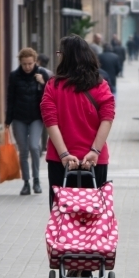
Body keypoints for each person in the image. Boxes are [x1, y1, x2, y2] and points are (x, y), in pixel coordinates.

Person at [41, 35, 115, 211]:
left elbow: (50, 122)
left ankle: (64, 240)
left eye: (60, 53)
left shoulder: (53, 86)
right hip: (94, 161)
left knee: (63, 215)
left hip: (60, 161)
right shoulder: (100, 85)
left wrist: (64, 154)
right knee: (93, 216)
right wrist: (95, 151)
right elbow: (107, 118)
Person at [6, 48, 51, 195]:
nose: (27, 67)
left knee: (34, 146)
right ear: (20, 62)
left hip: (36, 117)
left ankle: (36, 180)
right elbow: (10, 99)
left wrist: (43, 84)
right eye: (25, 64)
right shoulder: (14, 76)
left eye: (30, 63)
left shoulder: (42, 74)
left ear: (35, 61)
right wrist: (8, 120)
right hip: (19, 118)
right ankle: (26, 183)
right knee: (23, 150)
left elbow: (50, 96)